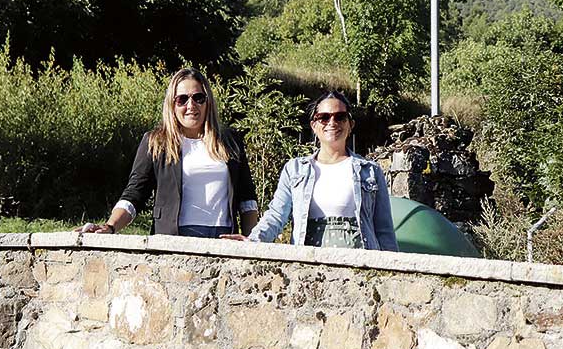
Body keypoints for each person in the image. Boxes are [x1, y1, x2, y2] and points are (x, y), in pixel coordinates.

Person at [76, 68, 258, 238]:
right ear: (172, 104)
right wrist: (110, 226)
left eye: (198, 98)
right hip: (174, 239)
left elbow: (247, 199)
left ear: (208, 101)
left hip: (224, 238)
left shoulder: (230, 141)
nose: (191, 105)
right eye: (182, 99)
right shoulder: (156, 142)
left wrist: (251, 242)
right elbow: (134, 195)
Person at [228, 91, 397, 250]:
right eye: (324, 117)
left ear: (350, 124)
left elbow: (384, 230)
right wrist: (253, 240)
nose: (332, 123)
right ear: (314, 126)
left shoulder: (371, 172)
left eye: (340, 117)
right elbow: (276, 216)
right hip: (310, 268)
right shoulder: (294, 170)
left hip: (360, 265)